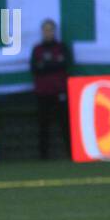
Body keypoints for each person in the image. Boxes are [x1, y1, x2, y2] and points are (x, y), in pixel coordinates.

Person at [30, 19, 72, 160]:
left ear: (55, 31)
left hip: (60, 92)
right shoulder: (37, 49)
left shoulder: (61, 47)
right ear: (42, 32)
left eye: (50, 29)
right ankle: (43, 157)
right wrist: (54, 64)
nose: (48, 32)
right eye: (45, 30)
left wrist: (46, 65)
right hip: (43, 93)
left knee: (65, 124)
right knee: (43, 126)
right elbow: (35, 69)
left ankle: (71, 154)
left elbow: (65, 64)